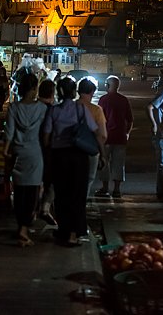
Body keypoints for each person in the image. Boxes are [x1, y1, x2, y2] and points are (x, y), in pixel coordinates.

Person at [43, 76, 105, 247]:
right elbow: (95, 131)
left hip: (60, 156)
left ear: (60, 91)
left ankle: (63, 231)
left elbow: (46, 137)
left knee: (62, 195)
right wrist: (103, 154)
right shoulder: (80, 109)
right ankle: (73, 234)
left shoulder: (54, 111)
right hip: (79, 157)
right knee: (77, 195)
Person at [4, 73, 47, 248]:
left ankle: (20, 227)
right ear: (35, 88)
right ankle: (23, 229)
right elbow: (46, 133)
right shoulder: (42, 109)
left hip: (18, 153)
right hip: (35, 154)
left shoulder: (14, 108)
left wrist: (5, 150)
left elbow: (9, 132)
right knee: (32, 193)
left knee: (19, 193)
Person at [95, 75, 134, 199]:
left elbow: (99, 120)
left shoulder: (103, 100)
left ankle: (105, 188)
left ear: (107, 85)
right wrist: (127, 133)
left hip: (106, 137)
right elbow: (130, 120)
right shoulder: (124, 100)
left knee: (104, 162)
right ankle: (117, 189)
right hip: (120, 137)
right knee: (119, 163)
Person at [76, 77, 107, 199]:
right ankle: (81, 205)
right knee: (88, 180)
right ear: (92, 92)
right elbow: (102, 135)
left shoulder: (70, 107)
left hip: (70, 148)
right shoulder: (96, 110)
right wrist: (103, 154)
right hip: (90, 150)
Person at [37, 78, 58, 226]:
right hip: (48, 150)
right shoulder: (53, 109)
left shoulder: (33, 106)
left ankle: (33, 210)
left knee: (35, 182)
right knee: (51, 182)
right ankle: (44, 209)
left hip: (31, 149)